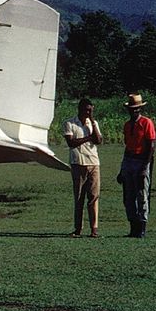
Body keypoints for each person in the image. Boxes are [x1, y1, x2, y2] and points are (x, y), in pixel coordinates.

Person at [63, 98, 102, 237]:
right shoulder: (69, 123)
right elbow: (71, 143)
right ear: (79, 109)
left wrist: (92, 122)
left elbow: (98, 140)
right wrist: (88, 138)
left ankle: (94, 229)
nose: (88, 112)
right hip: (78, 164)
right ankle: (78, 228)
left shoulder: (93, 123)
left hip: (93, 163)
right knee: (79, 198)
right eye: (86, 110)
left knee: (93, 197)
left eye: (91, 110)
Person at [119, 93, 156, 238]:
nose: (134, 111)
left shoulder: (147, 123)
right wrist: (122, 169)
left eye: (137, 109)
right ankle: (133, 227)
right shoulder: (127, 125)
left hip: (142, 160)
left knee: (142, 195)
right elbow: (127, 147)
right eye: (132, 108)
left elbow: (151, 145)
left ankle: (141, 227)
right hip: (129, 159)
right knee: (128, 196)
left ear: (140, 109)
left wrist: (144, 166)